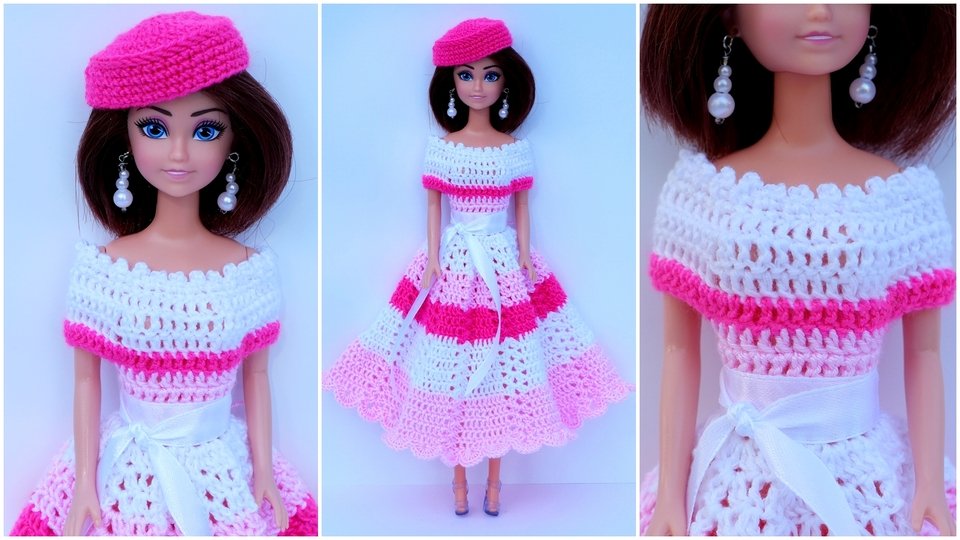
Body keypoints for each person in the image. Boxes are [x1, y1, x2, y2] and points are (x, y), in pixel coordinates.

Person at [639, 5, 956, 536]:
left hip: (863, 471)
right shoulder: (702, 196)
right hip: (742, 472)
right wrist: (671, 491)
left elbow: (925, 353)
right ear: (730, 18)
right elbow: (677, 350)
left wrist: (928, 482)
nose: (819, 9)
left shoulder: (904, 199)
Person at [10, 11, 317, 536]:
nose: (178, 153)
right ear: (125, 139)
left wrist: (263, 469)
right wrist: (84, 482)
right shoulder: (104, 271)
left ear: (234, 141)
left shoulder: (247, 272)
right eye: (154, 128)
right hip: (129, 469)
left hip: (220, 463)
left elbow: (257, 376)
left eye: (205, 130)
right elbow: (86, 380)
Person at [324, 17, 631, 517]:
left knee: (506, 367)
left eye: (490, 74)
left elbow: (521, 209)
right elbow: (434, 208)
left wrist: (525, 255)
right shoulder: (442, 150)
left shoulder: (514, 151)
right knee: (449, 366)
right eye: (466, 75)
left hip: (503, 264)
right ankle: (459, 485)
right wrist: (432, 260)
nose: (478, 86)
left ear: (507, 80)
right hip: (454, 264)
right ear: (451, 83)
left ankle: (494, 485)